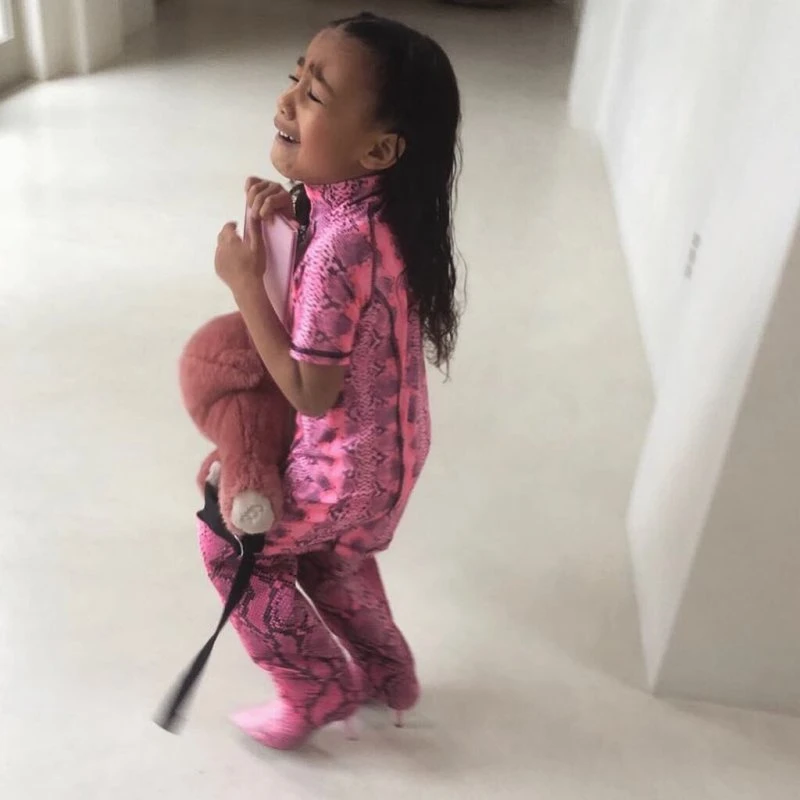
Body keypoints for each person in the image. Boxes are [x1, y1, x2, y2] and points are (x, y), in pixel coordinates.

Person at [208, 12, 462, 750]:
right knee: (334, 555)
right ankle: (389, 674)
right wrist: (293, 215)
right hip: (391, 459)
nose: (287, 100)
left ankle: (314, 685)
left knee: (232, 545)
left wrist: (245, 285)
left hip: (343, 466)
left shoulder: (338, 249)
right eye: (295, 78)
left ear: (379, 149)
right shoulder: (379, 215)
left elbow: (310, 391)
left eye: (314, 95)